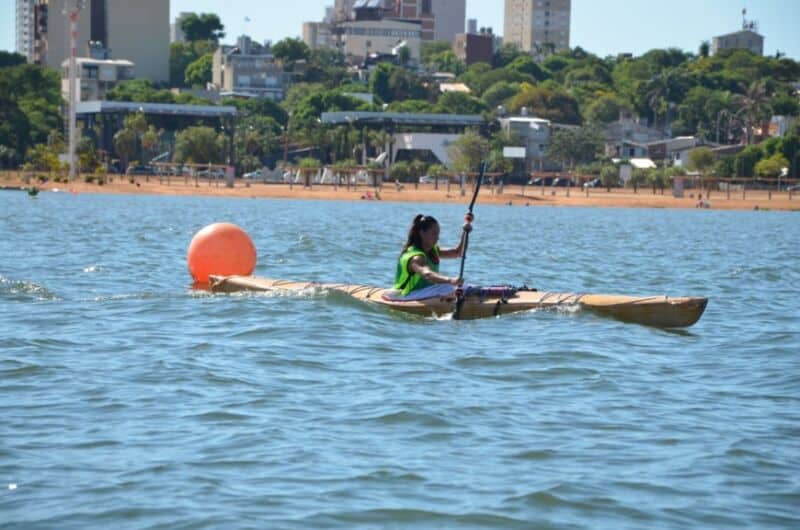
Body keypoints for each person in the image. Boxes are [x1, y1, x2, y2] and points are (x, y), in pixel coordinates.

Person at [393, 213, 474, 297]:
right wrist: (451, 280)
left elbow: (458, 252)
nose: (437, 237)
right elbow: (427, 274)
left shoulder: (433, 250)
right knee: (451, 287)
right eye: (434, 233)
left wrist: (465, 231)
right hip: (407, 295)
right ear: (422, 233)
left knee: (462, 286)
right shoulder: (415, 257)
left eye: (438, 234)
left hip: (426, 293)